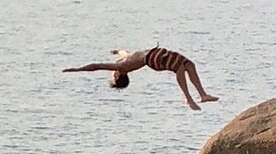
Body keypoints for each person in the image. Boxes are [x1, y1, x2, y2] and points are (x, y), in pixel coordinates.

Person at [63, 46, 219, 110]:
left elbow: (125, 54)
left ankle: (203, 95)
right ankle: (189, 99)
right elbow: (96, 66)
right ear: (118, 76)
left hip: (154, 54)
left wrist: (117, 51)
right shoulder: (120, 68)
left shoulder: (123, 60)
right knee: (179, 67)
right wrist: (76, 69)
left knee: (189, 65)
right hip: (152, 59)